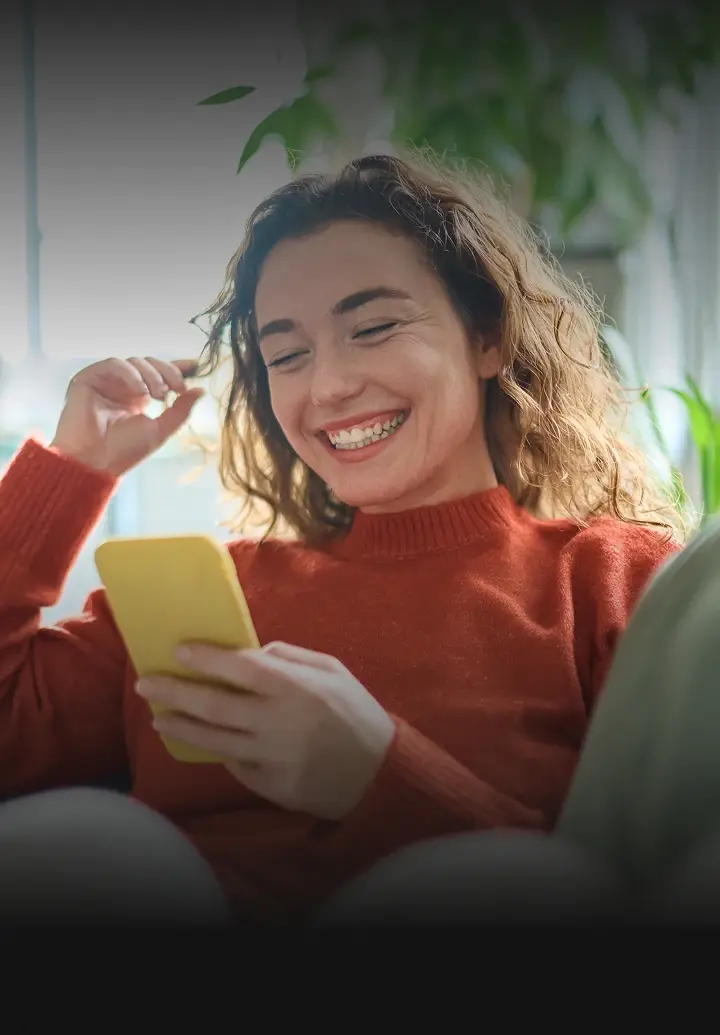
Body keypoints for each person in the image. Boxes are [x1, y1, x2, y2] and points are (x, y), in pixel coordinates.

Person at [0, 152, 713, 929]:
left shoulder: (614, 581)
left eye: (373, 328)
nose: (329, 386)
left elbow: (639, 883)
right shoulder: (203, 599)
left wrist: (378, 776)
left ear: (488, 336)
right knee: (94, 840)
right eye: (286, 355)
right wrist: (69, 468)